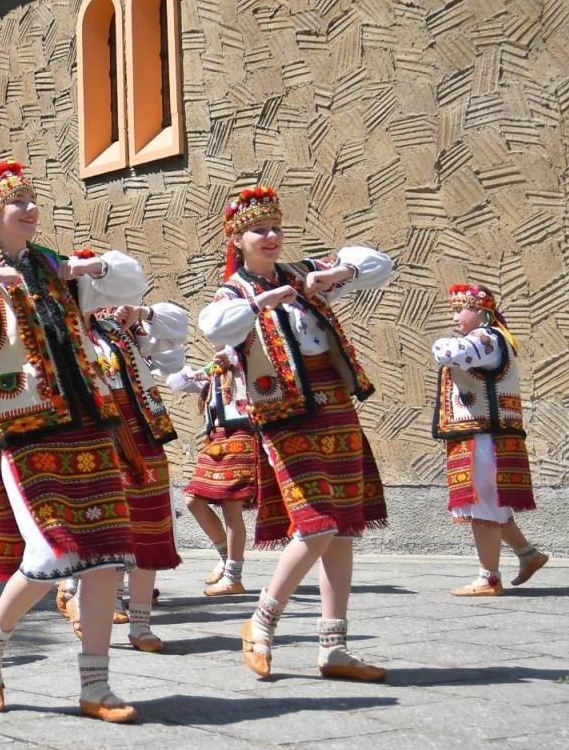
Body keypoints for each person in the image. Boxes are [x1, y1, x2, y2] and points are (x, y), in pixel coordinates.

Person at [0, 158, 148, 723]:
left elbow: (131, 281)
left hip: (89, 427)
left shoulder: (59, 271)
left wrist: (92, 266)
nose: (29, 208)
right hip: (28, 435)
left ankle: (97, 685)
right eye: (15, 202)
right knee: (55, 552)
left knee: (106, 556)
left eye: (31, 199)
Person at [198, 185, 394, 682]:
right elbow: (216, 327)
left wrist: (337, 275)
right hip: (285, 417)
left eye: (275, 228)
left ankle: (334, 648)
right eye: (258, 231)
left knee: (343, 528)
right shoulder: (234, 293)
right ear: (237, 240)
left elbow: (379, 264)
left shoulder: (303, 273)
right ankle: (262, 622)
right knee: (317, 524)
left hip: (335, 407)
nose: (270, 237)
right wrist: (264, 300)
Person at [58, 299, 188, 652]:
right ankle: (81, 598)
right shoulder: (57, 332)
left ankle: (141, 624)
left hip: (142, 432)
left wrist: (141, 314)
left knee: (148, 525)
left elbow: (177, 332)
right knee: (103, 526)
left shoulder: (116, 327)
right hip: (95, 436)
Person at [431, 283, 546, 595]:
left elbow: (452, 353)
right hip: (489, 433)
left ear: (480, 311)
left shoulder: (486, 338)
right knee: (491, 502)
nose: (455, 317)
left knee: (482, 504)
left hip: (485, 434)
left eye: (460, 309)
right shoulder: (492, 338)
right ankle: (528, 554)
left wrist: (438, 344)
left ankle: (489, 578)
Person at [166, 349, 257, 596]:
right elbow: (173, 382)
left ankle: (233, 577)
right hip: (215, 442)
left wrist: (232, 358)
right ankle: (226, 558)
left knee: (231, 507)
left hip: (240, 438)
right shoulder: (214, 373)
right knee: (192, 499)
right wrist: (196, 372)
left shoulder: (245, 367)